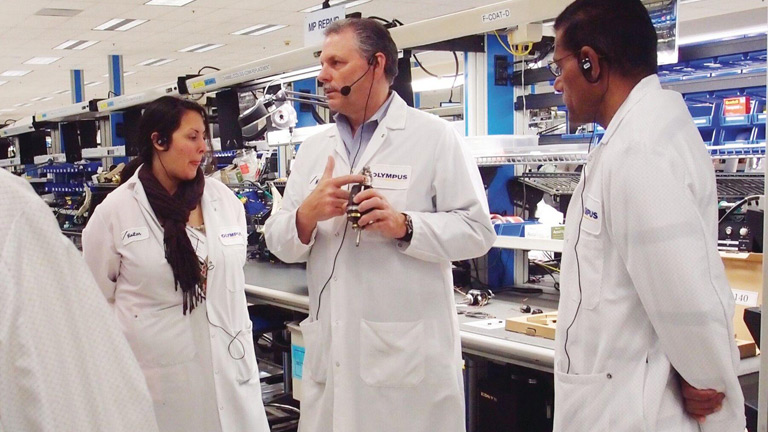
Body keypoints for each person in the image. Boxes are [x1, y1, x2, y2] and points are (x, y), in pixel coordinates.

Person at [265, 18, 495, 432]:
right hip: (332, 355)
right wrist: (305, 216)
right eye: (322, 63)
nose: (322, 75)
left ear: (376, 64)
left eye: (336, 63)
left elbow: (478, 232)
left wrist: (405, 226)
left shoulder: (435, 137)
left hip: (403, 362)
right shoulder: (314, 149)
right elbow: (279, 242)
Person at [549, 0, 746, 431]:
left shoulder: (639, 152)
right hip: (617, 399)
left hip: (631, 412)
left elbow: (685, 300)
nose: (558, 82)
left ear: (590, 63)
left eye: (559, 66)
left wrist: (707, 379)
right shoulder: (635, 139)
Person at [82, 96, 270, 432]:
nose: (203, 148)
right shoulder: (115, 212)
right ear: (159, 141)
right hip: (160, 381)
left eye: (204, 137)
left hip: (231, 369)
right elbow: (95, 303)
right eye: (192, 137)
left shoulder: (224, 201)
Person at [0, 168, 159, 432]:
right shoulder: (13, 212)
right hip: (144, 356)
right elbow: (95, 290)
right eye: (192, 141)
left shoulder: (13, 209)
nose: (202, 149)